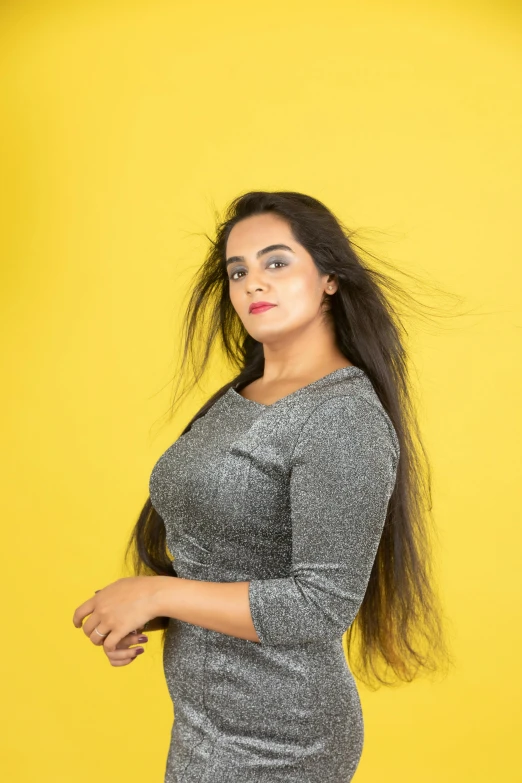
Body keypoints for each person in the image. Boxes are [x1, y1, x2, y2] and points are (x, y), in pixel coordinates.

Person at [73, 191, 452, 782]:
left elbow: (319, 605)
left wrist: (157, 595)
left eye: (276, 262)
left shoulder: (341, 416)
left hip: (283, 738)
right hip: (203, 721)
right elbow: (222, 552)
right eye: (238, 271)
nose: (253, 283)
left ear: (328, 277)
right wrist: (149, 611)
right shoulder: (240, 395)